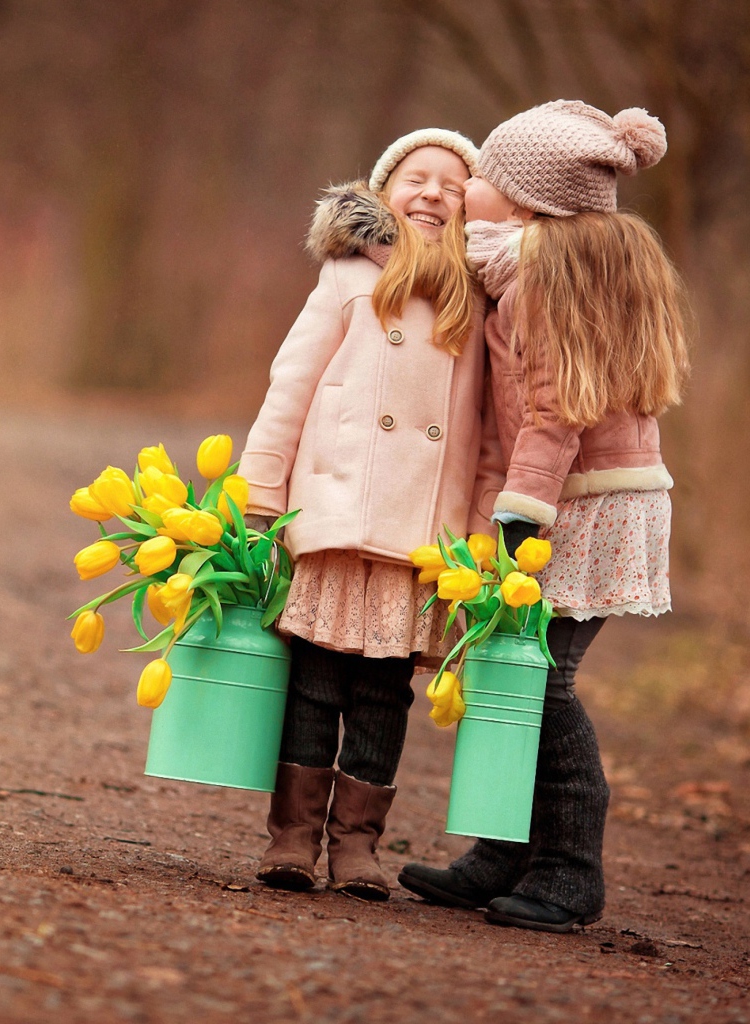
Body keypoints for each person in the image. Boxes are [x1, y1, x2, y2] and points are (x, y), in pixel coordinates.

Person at [398, 100, 691, 932]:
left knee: (545, 682)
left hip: (579, 505)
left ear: (526, 204)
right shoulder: (531, 266)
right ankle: (505, 852)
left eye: (485, 176)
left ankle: (569, 869)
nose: (470, 185)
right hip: (581, 495)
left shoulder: (539, 278)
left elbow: (555, 409)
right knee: (513, 674)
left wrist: (519, 515)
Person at [240, 129, 501, 900]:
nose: (431, 194)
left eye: (452, 186)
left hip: (417, 536)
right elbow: (292, 382)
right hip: (334, 515)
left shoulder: (471, 294)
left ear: (467, 208)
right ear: (385, 192)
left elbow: (482, 433)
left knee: (385, 694)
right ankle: (292, 836)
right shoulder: (347, 275)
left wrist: (479, 531)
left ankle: (357, 845)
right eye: (416, 178)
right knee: (316, 683)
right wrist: (262, 488)